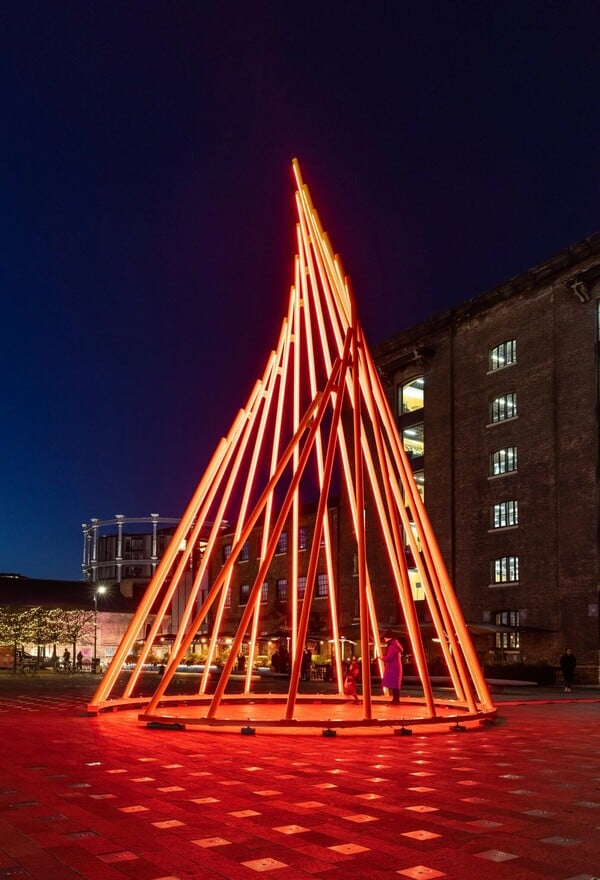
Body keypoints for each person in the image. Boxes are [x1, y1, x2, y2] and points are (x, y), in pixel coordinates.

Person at [381, 629, 403, 705]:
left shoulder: (392, 646)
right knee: (395, 686)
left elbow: (389, 657)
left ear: (389, 637)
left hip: (393, 668)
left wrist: (382, 658)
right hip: (395, 667)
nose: (384, 639)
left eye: (385, 637)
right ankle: (395, 700)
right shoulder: (395, 645)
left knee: (394, 686)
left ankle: (395, 700)